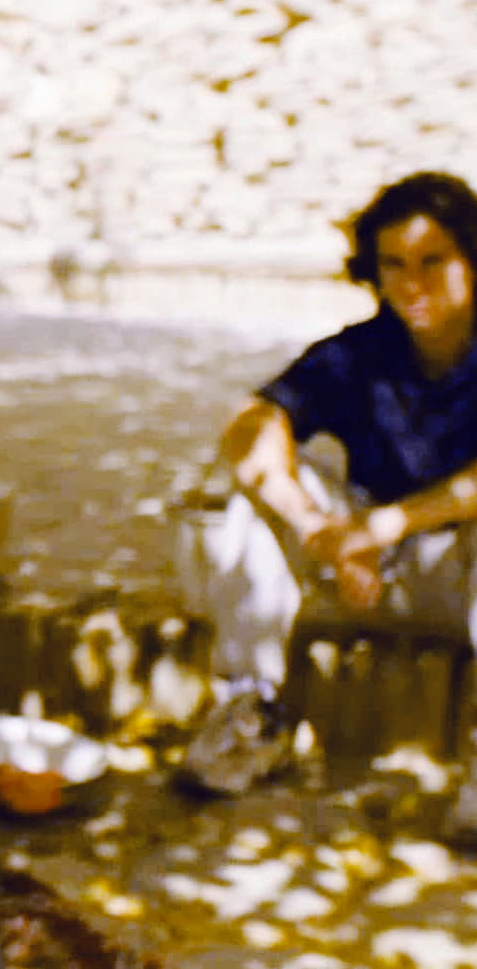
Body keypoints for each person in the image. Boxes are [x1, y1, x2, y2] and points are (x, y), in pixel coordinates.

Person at [182, 171, 477, 829]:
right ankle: (251, 713)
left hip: (459, 577)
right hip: (362, 577)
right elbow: (250, 427)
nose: (411, 283)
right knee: (243, 491)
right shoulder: (360, 353)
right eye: (394, 264)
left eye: (432, 262)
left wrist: (383, 525)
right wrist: (316, 527)